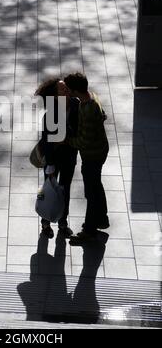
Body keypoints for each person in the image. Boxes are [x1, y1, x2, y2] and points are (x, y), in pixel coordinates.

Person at [63, 72, 109, 244]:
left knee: (91, 192)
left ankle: (89, 231)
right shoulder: (91, 97)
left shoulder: (88, 108)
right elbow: (103, 114)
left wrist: (67, 140)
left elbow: (84, 141)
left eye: (68, 89)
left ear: (75, 90)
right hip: (100, 149)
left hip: (93, 154)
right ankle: (102, 219)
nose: (66, 92)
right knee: (96, 185)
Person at [35, 77, 79, 239]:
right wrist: (50, 163)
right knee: (47, 188)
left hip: (69, 156)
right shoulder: (50, 114)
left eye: (66, 87)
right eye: (62, 89)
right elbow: (46, 140)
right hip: (53, 158)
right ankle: (45, 222)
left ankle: (63, 222)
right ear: (55, 95)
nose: (66, 89)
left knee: (65, 189)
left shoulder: (75, 104)